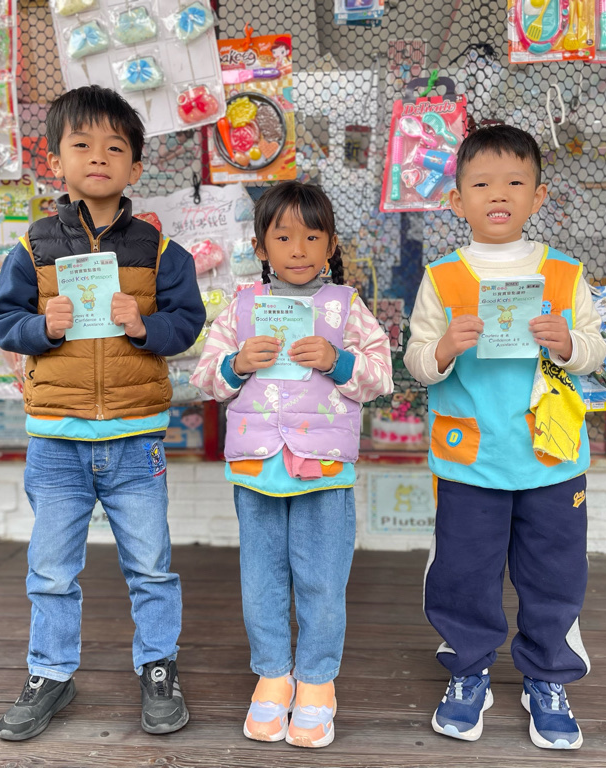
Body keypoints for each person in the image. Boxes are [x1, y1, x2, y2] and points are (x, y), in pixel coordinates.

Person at [0, 85, 205, 741]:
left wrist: (145, 326)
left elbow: (187, 323)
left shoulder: (161, 251)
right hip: (56, 440)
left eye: (115, 147)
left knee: (152, 567)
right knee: (51, 570)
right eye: (81, 144)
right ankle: (50, 673)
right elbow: (2, 322)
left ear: (136, 167)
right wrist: (41, 327)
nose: (99, 157)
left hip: (136, 440)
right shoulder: (32, 248)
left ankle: (159, 667)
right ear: (56, 161)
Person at [404, 124, 606, 750]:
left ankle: (547, 677)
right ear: (456, 199)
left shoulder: (564, 272)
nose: (499, 194)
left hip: (551, 458)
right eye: (482, 184)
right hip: (471, 460)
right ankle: (469, 671)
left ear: (538, 196)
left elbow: (597, 350)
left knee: (555, 574)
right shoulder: (442, 276)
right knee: (464, 572)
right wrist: (444, 347)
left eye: (515, 182)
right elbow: (416, 362)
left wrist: (569, 343)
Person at [191, 181, 392, 748]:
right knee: (261, 581)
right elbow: (204, 379)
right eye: (283, 238)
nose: (298, 249)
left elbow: (381, 376)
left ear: (330, 246)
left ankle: (318, 682)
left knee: (322, 581)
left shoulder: (346, 307)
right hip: (257, 469)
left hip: (323, 469)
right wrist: (236, 364)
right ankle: (273, 676)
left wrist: (338, 360)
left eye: (312, 237)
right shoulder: (241, 308)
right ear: (260, 247)